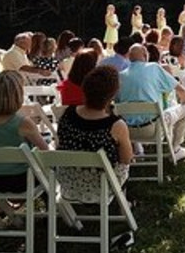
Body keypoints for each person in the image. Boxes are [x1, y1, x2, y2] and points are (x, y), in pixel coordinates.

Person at [57, 66, 134, 199]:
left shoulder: (67, 115)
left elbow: (60, 143)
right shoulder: (116, 125)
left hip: (68, 183)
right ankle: (124, 203)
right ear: (112, 95)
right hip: (102, 187)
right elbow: (126, 159)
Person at [0, 71, 50, 192]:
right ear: (17, 95)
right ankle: (52, 205)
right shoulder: (22, 123)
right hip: (25, 180)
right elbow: (45, 152)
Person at [117, 44, 185, 161]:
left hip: (127, 131)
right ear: (144, 55)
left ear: (129, 58)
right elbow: (181, 90)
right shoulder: (153, 67)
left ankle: (138, 149)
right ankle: (176, 148)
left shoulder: (120, 76)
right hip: (154, 128)